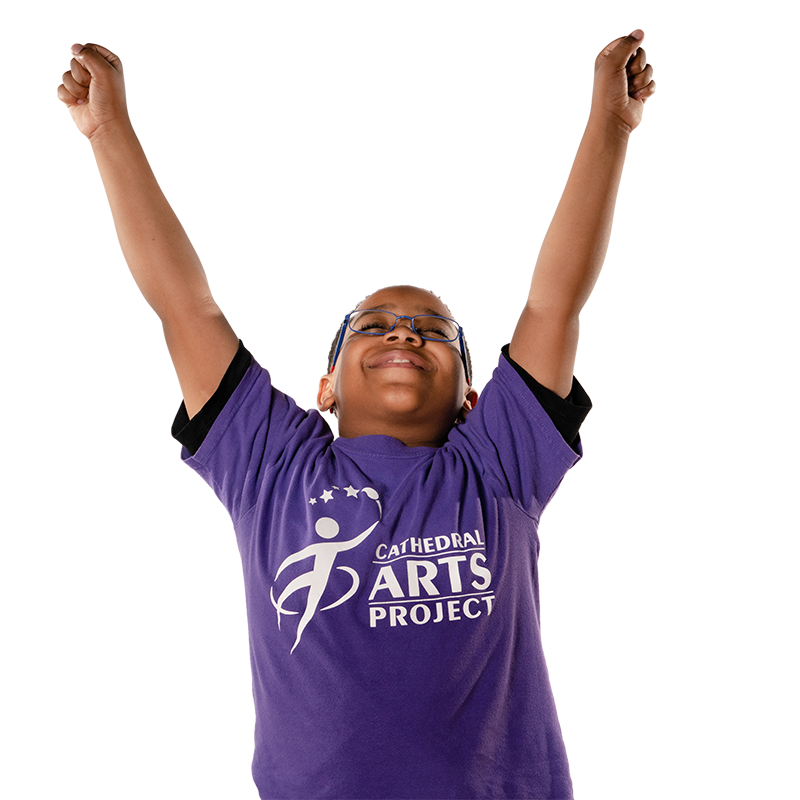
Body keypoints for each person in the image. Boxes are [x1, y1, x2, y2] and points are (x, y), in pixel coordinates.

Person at [58, 31, 654, 800]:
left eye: (437, 333)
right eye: (373, 326)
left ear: (473, 401)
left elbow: (555, 301)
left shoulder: (496, 463)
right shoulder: (273, 466)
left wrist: (612, 121)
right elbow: (185, 304)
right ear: (327, 386)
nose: (405, 331)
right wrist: (107, 130)